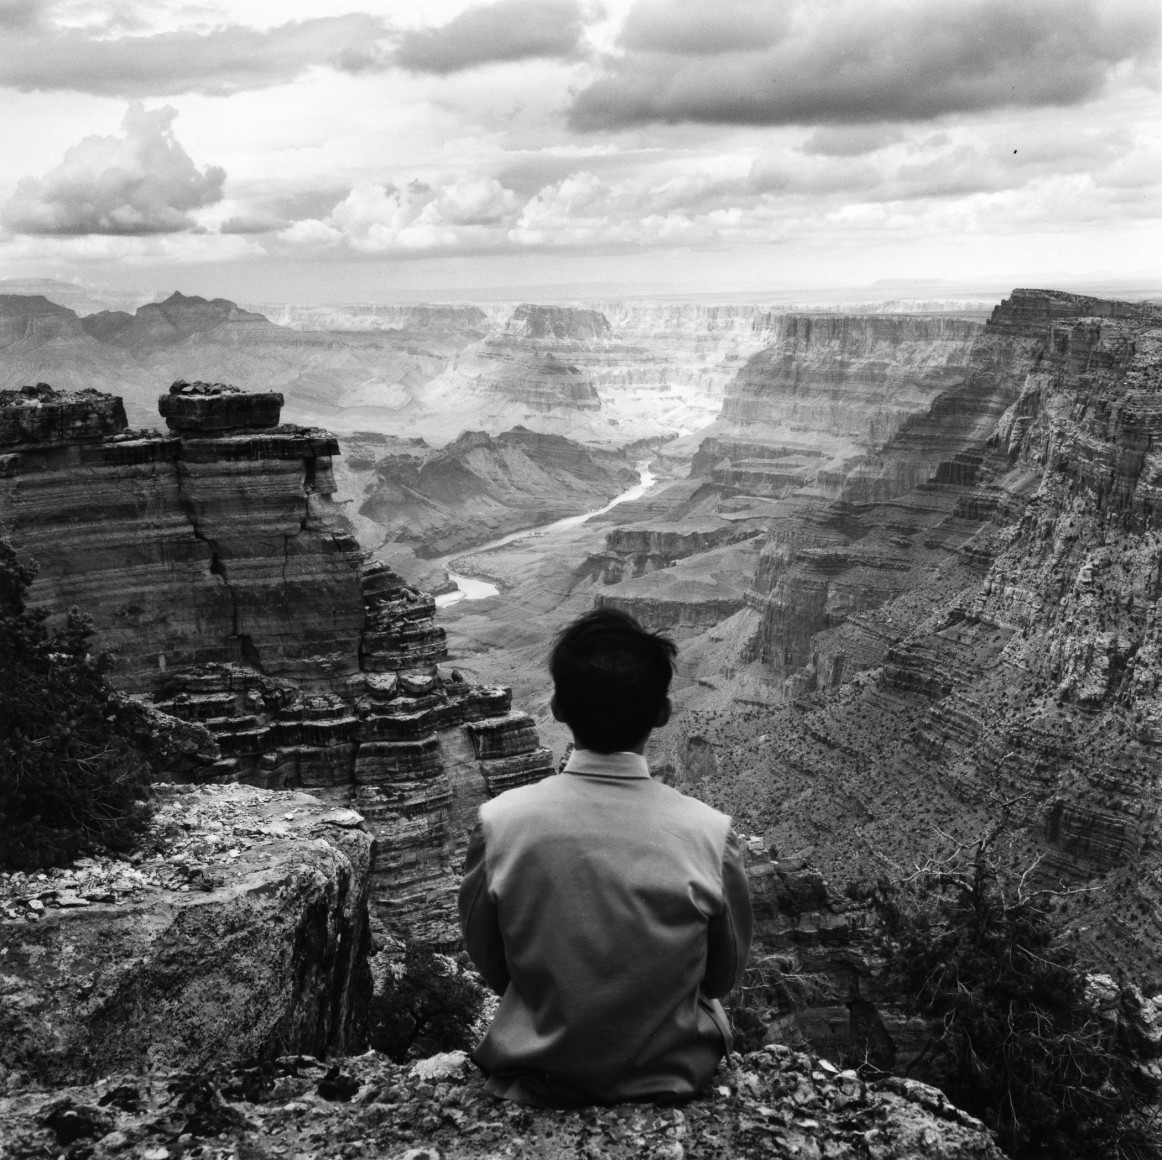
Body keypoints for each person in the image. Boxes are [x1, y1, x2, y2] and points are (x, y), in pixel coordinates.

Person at [458, 607, 753, 1106]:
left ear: (557, 707)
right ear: (662, 713)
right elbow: (721, 978)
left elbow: (490, 958)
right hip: (671, 1078)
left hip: (535, 1076)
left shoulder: (498, 824)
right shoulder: (712, 835)